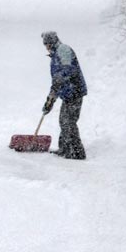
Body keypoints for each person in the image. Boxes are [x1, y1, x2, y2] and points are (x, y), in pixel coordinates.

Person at [41, 31, 87, 160]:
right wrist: (49, 102)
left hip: (75, 91)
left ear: (52, 42)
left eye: (47, 44)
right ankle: (65, 148)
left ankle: (77, 152)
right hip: (68, 93)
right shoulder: (55, 56)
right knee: (64, 121)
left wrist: (60, 78)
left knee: (68, 122)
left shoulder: (63, 49)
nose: (46, 47)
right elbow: (56, 83)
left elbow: (69, 69)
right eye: (45, 44)